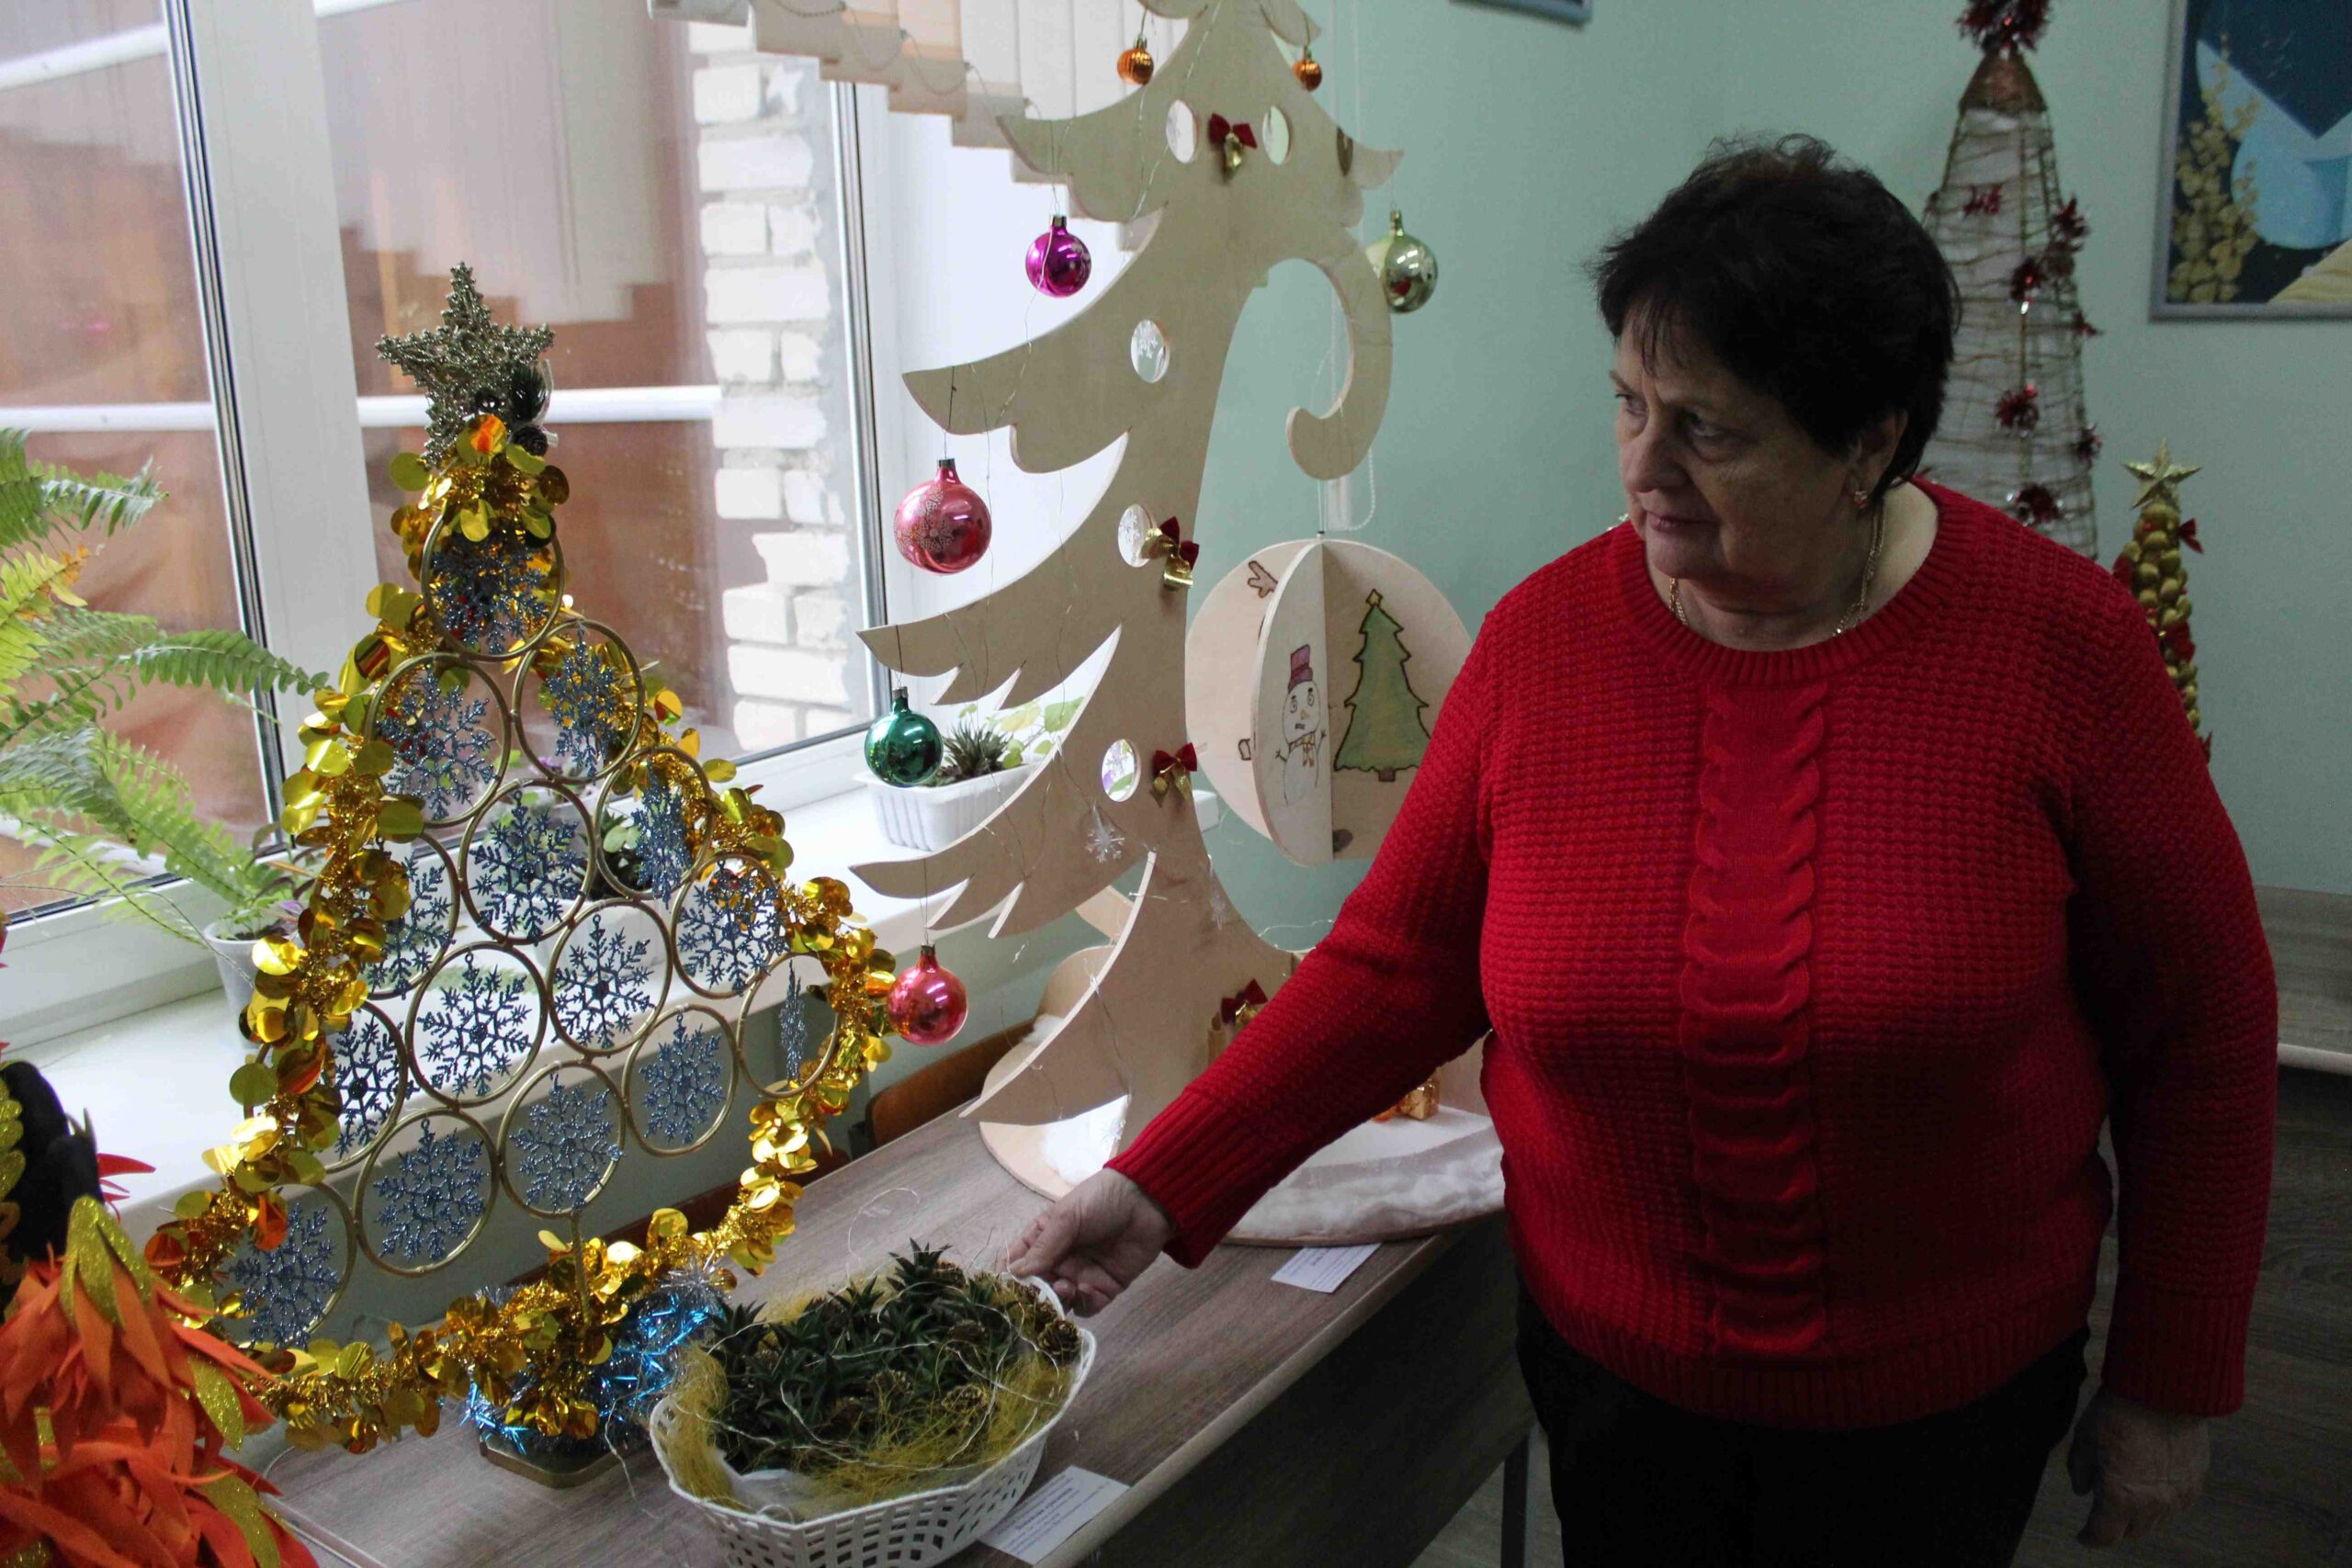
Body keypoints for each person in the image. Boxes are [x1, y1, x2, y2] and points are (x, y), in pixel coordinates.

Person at [1002, 136, 2277, 1566]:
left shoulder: (2062, 652)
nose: (1641, 468)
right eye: (1628, 403)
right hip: (1615, 1389)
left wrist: (2171, 1382)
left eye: (1708, 431)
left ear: (1869, 446)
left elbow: (2206, 1035)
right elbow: (1395, 968)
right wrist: (1161, 1182)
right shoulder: (1543, 646)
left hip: (1938, 1416)